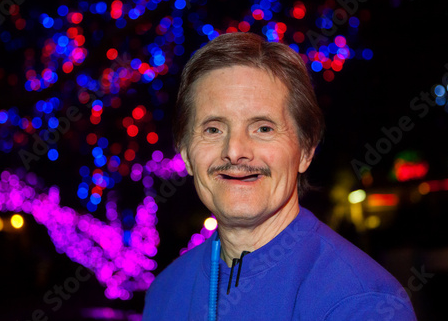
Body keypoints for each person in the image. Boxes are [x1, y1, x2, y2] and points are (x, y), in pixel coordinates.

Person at [142, 32, 416, 320]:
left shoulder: (360, 303)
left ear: (305, 150)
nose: (234, 151)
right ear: (186, 153)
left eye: (263, 128)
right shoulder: (165, 293)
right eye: (213, 129)